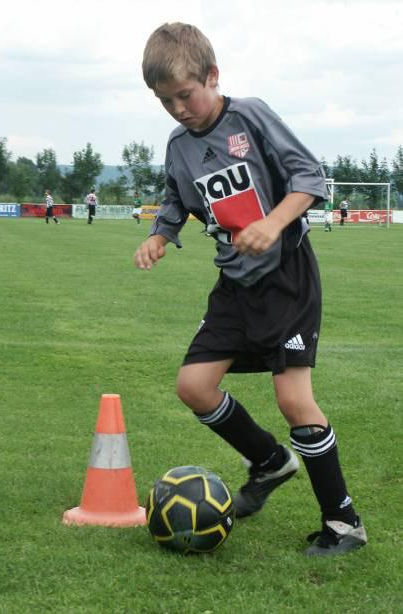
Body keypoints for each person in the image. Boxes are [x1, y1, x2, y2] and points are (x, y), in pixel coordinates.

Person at [134, 22, 366, 557]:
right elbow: (176, 198)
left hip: (287, 278)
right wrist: (160, 235)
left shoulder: (250, 116)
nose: (178, 109)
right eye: (165, 101)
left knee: (294, 398)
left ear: (213, 77)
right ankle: (269, 461)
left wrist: (274, 223)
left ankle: (344, 523)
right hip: (234, 286)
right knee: (194, 385)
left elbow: (310, 176)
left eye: (186, 95)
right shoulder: (178, 146)